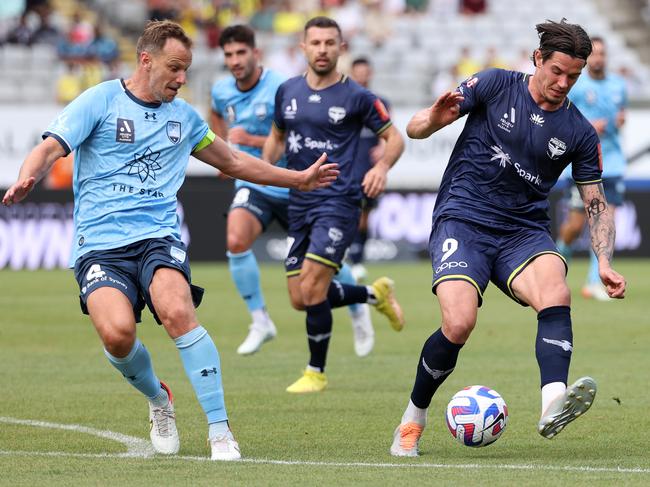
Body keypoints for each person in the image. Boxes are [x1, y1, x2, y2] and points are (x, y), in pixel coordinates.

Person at [2, 20, 338, 461]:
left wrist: (298, 178)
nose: (182, 79)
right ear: (146, 60)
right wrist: (29, 174)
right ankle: (159, 400)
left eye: (187, 70)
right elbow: (49, 147)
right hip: (99, 244)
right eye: (175, 68)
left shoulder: (184, 118)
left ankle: (220, 431)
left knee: (178, 309)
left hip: (157, 236)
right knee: (117, 335)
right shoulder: (100, 100)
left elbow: (234, 160)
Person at [389, 19, 626, 457]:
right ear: (537, 58)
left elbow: (595, 203)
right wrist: (433, 120)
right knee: (458, 323)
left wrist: (605, 262)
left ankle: (553, 400)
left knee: (557, 288)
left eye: (572, 76)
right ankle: (413, 417)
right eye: (556, 71)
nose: (562, 83)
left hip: (522, 230)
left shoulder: (578, 132)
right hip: (463, 219)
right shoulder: (495, 84)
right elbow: (416, 128)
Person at [263, 16, 406, 393]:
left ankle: (316, 372)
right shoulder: (287, 91)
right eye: (316, 43)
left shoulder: (357, 96)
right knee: (300, 298)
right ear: (303, 47)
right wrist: (263, 172)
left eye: (330, 42)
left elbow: (395, 139)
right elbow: (277, 138)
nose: (323, 49)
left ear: (341, 47)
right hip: (299, 202)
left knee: (312, 289)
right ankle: (374, 295)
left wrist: (381, 167)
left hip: (340, 200)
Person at [210, 24, 368, 356]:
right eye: (229, 55)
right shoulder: (221, 90)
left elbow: (292, 138)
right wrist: (225, 153)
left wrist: (247, 142)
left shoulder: (283, 86)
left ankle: (359, 304)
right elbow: (215, 117)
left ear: (256, 53)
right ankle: (260, 320)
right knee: (235, 238)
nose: (235, 60)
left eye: (241, 52)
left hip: (299, 188)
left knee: (319, 274)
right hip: (256, 181)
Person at [555, 36, 628, 301]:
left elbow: (620, 114)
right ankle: (555, 266)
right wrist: (586, 127)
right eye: (594, 54)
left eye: (602, 54)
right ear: (587, 59)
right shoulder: (575, 85)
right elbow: (561, 119)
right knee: (574, 226)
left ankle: (593, 281)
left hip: (613, 164)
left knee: (607, 223)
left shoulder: (619, 85)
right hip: (583, 166)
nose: (598, 59)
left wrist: (620, 120)